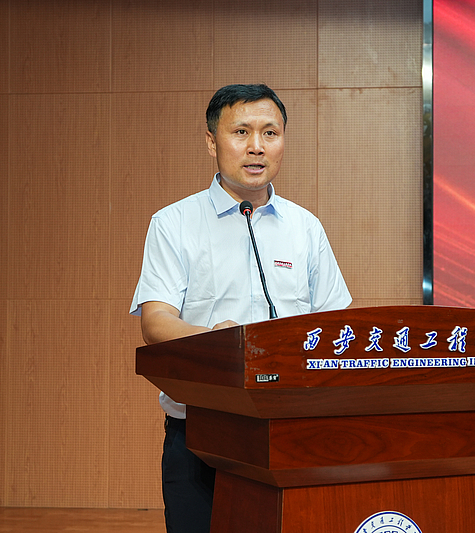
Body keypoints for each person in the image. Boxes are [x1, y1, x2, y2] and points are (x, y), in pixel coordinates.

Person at [129, 84, 352, 533]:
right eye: (241, 132)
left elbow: (337, 326)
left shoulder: (305, 228)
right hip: (201, 433)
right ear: (212, 141)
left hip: (291, 432)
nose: (257, 147)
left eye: (270, 133)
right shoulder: (174, 223)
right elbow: (156, 322)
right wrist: (219, 342)